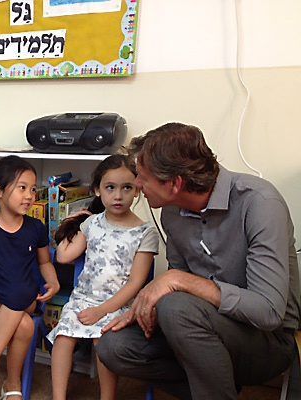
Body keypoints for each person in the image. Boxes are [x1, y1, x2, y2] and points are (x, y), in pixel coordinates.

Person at [97, 122, 300, 399]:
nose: (138, 186)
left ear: (175, 184)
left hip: (266, 341)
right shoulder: (171, 212)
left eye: (143, 177)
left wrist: (176, 282)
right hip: (203, 329)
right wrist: (149, 306)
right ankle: (218, 387)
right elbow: (178, 284)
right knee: (113, 347)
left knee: (177, 307)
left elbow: (269, 312)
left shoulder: (260, 203)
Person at [48, 154, 159, 400]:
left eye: (127, 188)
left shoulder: (145, 233)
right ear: (98, 190)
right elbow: (64, 257)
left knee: (103, 343)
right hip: (83, 299)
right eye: (110, 188)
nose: (118, 196)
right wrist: (76, 221)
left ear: (137, 190)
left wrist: (101, 311)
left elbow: (136, 283)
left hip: (119, 304)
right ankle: (58, 397)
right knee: (64, 335)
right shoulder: (92, 223)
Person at [0, 155, 60, 399]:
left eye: (33, 189)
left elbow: (44, 261)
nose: (29, 195)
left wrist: (54, 281)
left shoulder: (35, 227)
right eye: (22, 188)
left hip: (26, 297)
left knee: (22, 289)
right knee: (24, 326)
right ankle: (11, 383)